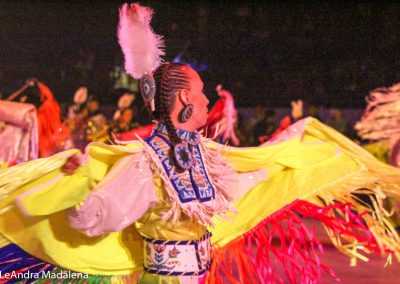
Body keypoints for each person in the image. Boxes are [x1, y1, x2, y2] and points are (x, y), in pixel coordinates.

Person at [1, 3, 400, 284]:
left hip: (199, 275)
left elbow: (242, 181)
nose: (208, 99)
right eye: (203, 91)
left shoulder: (203, 154)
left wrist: (287, 153)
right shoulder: (146, 164)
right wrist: (81, 185)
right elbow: (99, 218)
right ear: (186, 99)